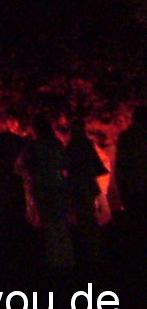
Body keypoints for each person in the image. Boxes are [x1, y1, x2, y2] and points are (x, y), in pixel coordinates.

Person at [18, 116, 73, 269]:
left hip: (44, 187)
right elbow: (66, 164)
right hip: (59, 185)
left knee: (50, 223)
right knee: (61, 222)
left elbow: (24, 166)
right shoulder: (57, 144)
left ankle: (54, 259)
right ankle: (67, 258)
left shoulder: (34, 146)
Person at [64, 111, 107, 264]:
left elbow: (65, 165)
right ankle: (93, 250)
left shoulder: (71, 146)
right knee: (88, 216)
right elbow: (96, 165)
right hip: (87, 186)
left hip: (77, 186)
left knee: (83, 217)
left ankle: (86, 250)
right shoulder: (86, 144)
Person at [111, 105, 147, 220]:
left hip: (131, 187)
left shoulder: (126, 137)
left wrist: (121, 186)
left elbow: (121, 165)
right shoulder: (128, 137)